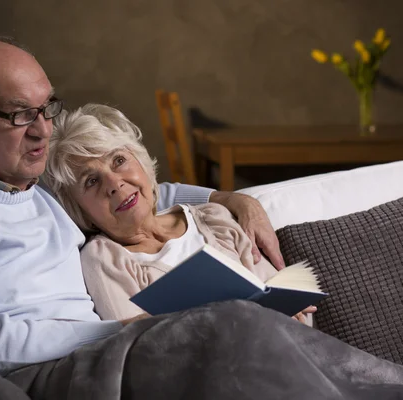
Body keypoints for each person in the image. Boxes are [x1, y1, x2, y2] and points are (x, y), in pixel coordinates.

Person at [0, 36, 286, 376]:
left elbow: (142, 194)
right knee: (240, 334)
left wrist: (232, 199)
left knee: (250, 337)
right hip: (39, 376)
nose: (41, 131)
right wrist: (114, 332)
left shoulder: (35, 189)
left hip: (100, 359)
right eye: (20, 115)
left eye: (46, 109)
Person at [42, 103, 315, 324]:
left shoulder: (214, 218)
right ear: (82, 212)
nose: (114, 185)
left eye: (119, 161)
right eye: (91, 181)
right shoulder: (105, 258)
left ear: (143, 164)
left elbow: (291, 308)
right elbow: (132, 348)